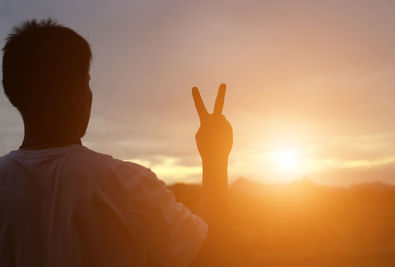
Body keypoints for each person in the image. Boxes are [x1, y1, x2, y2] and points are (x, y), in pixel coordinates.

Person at [0, 19, 233, 267]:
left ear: (13, 94)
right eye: (87, 82)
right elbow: (211, 253)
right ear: (77, 96)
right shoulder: (126, 185)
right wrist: (214, 157)